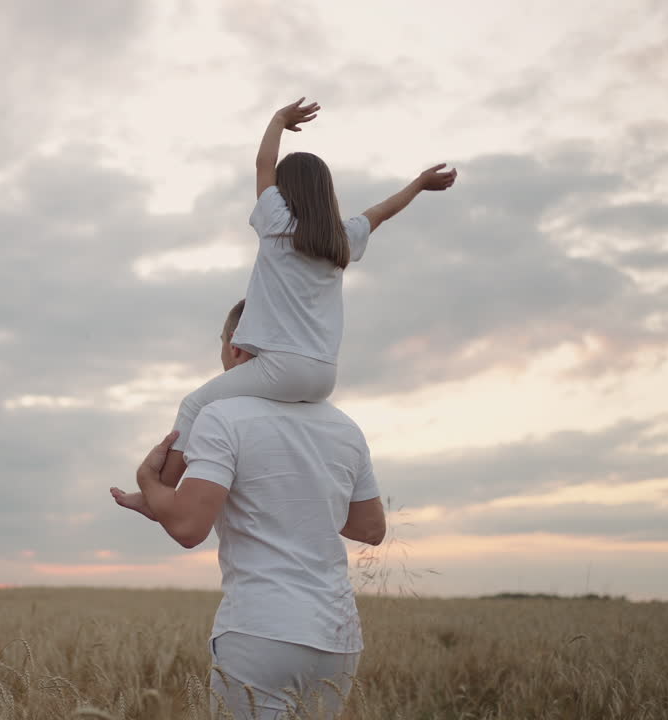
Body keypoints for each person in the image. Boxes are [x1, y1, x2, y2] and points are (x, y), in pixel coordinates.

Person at [110, 299, 386, 719]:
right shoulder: (345, 427)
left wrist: (149, 483)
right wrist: (307, 493)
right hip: (339, 636)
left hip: (261, 629)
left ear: (236, 347)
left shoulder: (221, 416)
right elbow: (370, 528)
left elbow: (188, 528)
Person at [168, 97, 457, 455]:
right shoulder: (341, 240)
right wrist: (419, 183)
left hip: (281, 368)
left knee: (194, 407)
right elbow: (381, 211)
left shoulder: (277, 224)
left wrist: (278, 120)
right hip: (324, 375)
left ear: (283, 192)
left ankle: (162, 486)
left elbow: (263, 164)